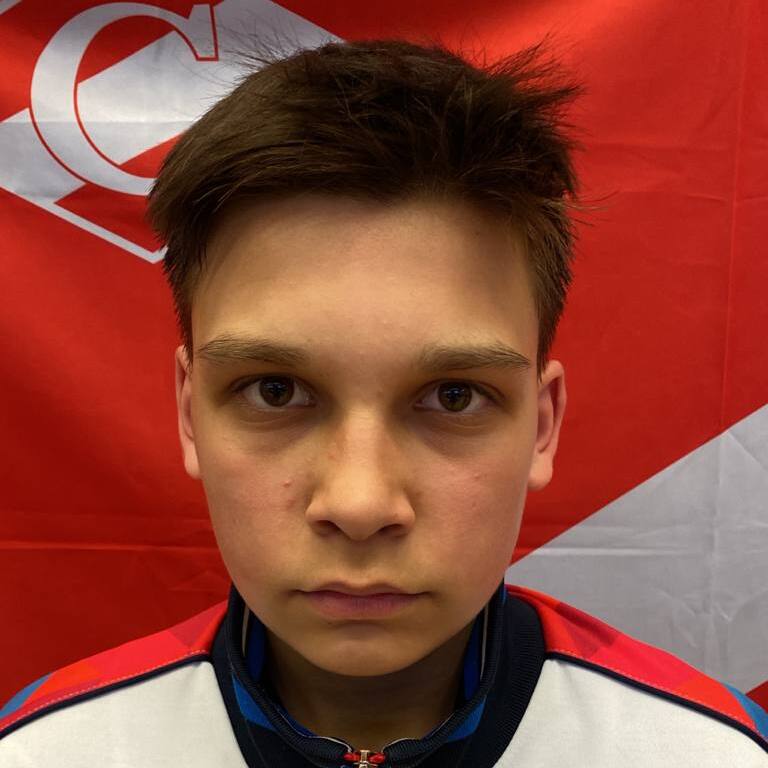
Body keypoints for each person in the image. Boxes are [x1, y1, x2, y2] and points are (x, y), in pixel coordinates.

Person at [1, 37, 766, 768]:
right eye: (276, 391)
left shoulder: (712, 755)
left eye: (454, 397)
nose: (360, 505)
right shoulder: (45, 752)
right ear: (188, 412)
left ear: (542, 425)